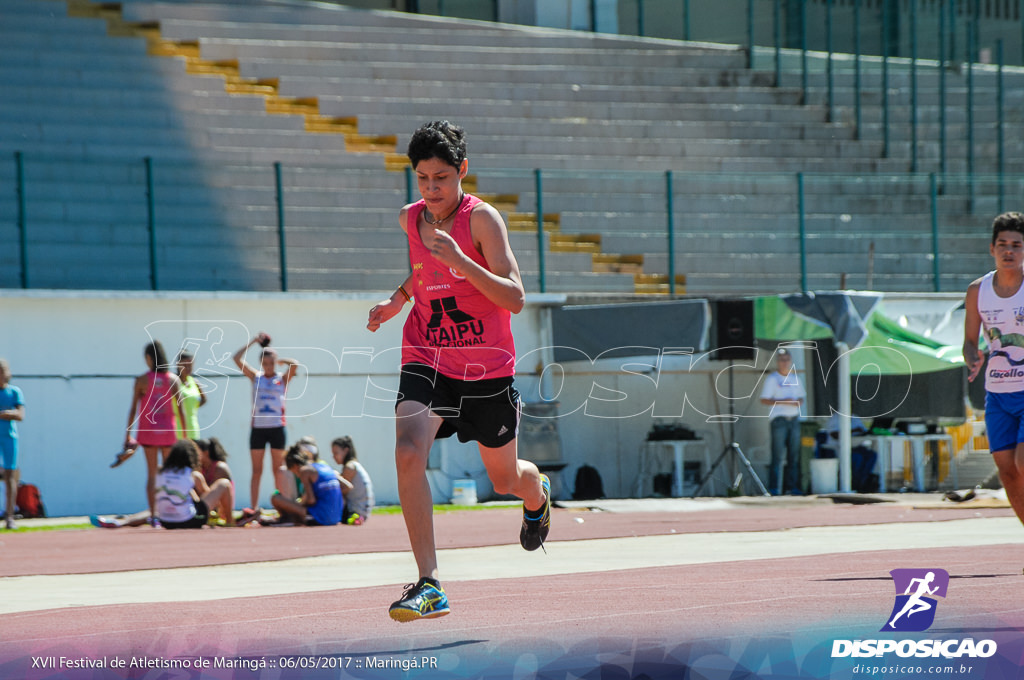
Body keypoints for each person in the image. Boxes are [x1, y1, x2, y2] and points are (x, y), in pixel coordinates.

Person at [366, 120, 550, 622]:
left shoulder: (483, 221)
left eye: (441, 178)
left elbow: (514, 297)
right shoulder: (412, 219)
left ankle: (537, 496)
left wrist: (463, 263)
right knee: (408, 452)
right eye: (423, 179)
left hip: (486, 368)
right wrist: (397, 300)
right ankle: (429, 584)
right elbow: (424, 273)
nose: (431, 190)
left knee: (507, 478)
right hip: (427, 352)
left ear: (462, 170)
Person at [964, 211, 1024, 529]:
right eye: (1003, 244)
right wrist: (972, 356)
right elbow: (969, 342)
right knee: (1007, 472)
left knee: (1022, 463)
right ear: (992, 249)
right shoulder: (978, 291)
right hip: (998, 393)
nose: (1009, 250)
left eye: (1016, 244)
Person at [93, 439, 235, 529]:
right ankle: (230, 522)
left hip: (165, 520)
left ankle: (123, 521)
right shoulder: (194, 475)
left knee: (155, 510)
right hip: (189, 520)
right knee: (223, 484)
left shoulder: (160, 471)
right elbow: (205, 500)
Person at [233, 333, 298, 512]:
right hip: (258, 429)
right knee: (257, 470)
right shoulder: (256, 377)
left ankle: (283, 506)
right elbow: (236, 358)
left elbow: (295, 365)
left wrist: (281, 360)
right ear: (261, 363)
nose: (268, 367)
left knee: (279, 469)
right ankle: (253, 508)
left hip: (277, 428)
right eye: (265, 363)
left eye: (272, 363)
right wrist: (254, 341)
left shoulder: (281, 379)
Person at [124, 341, 185, 523]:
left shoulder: (142, 380)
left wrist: (127, 435)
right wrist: (186, 437)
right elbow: (181, 411)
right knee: (168, 474)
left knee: (151, 474)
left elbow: (133, 409)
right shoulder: (173, 379)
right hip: (168, 432)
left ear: (149, 358)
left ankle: (154, 515)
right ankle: (169, 513)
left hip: (148, 431)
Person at [759, 348, 806, 495]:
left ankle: (792, 487)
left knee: (794, 456)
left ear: (790, 361)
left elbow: (801, 398)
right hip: (779, 420)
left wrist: (795, 403)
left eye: (787, 360)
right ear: (777, 362)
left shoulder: (795, 379)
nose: (784, 363)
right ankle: (774, 488)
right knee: (777, 456)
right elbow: (764, 399)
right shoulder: (773, 379)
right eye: (781, 360)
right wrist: (782, 401)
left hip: (794, 419)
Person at [269, 444, 351, 526]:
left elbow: (311, 500)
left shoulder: (305, 471)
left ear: (295, 466)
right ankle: (290, 518)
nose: (297, 476)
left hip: (319, 517)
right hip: (336, 517)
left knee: (276, 498)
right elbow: (348, 487)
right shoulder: (325, 466)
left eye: (294, 473)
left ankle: (288, 518)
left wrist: (295, 506)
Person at [0, 360, 25, 530]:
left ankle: (10, 516)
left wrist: (9, 414)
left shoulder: (14, 392)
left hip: (9, 438)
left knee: (10, 477)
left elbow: (21, 415)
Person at [331, 435, 375, 524]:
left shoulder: (349, 467)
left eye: (336, 453)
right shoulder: (355, 465)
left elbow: (343, 490)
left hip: (356, 511)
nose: (333, 457)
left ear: (346, 450)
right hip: (363, 510)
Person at [195, 437, 236, 523]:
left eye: (196, 452)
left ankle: (229, 521)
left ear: (205, 453)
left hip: (221, 508)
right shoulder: (200, 468)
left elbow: (216, 496)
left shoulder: (220, 468)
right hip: (209, 506)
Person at [176, 350, 206, 440]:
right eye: (185, 365)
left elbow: (204, 399)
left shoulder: (195, 382)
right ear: (178, 365)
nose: (188, 368)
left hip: (193, 429)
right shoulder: (173, 382)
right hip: (176, 430)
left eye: (190, 365)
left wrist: (191, 407)